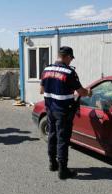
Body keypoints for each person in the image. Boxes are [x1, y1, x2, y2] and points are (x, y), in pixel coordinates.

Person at [40, 46, 92, 180]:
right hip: (63, 111)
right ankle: (63, 171)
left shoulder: (46, 69)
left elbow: (41, 90)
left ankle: (52, 164)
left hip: (50, 109)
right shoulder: (69, 72)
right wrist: (88, 92)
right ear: (67, 57)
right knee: (63, 139)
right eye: (71, 59)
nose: (71, 62)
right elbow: (81, 92)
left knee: (52, 135)